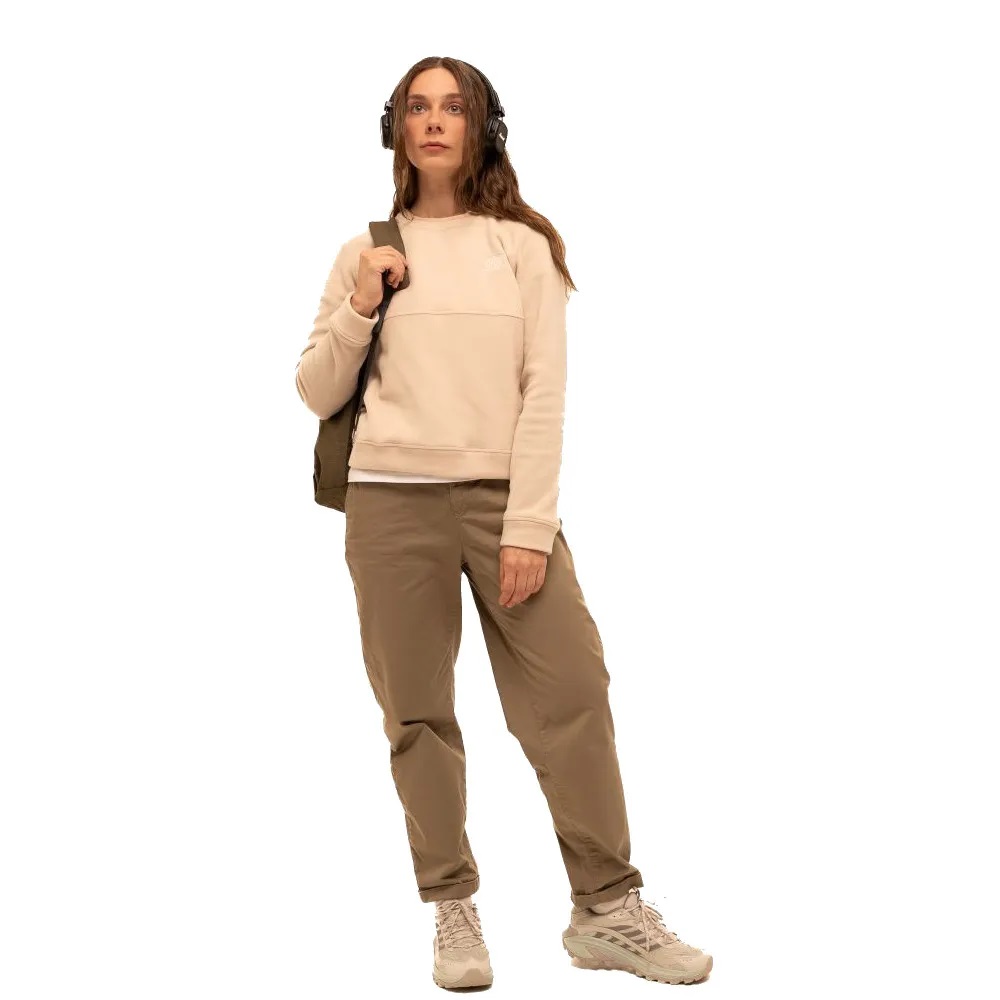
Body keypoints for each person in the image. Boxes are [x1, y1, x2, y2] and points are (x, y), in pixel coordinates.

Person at [295, 56, 713, 990]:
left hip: (501, 505)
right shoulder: (365, 250)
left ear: (483, 126)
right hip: (388, 505)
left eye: (454, 107)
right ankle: (452, 908)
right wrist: (362, 302)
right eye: (417, 107)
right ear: (396, 128)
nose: (434, 121)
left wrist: (528, 524)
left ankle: (606, 910)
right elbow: (316, 389)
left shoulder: (524, 246)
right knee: (417, 714)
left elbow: (543, 393)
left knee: (572, 692)